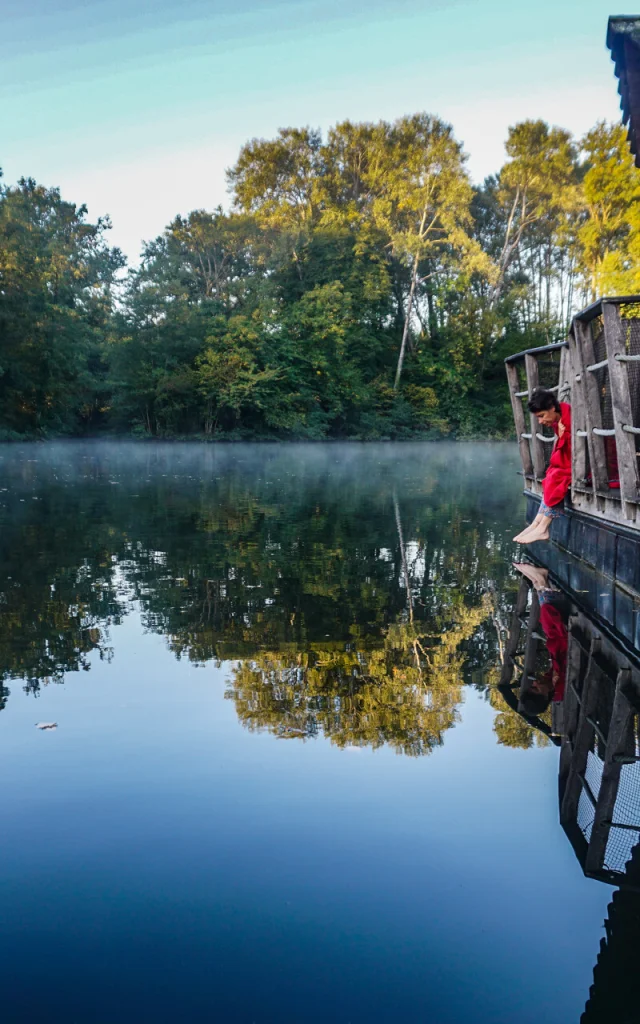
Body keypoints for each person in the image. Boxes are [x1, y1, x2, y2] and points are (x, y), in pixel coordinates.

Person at [513, 388, 571, 544]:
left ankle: (543, 528)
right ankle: (537, 522)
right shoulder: (557, 417)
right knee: (551, 474)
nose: (540, 421)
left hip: (581, 463)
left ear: (552, 408)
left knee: (557, 477)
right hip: (568, 458)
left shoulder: (570, 416)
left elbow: (577, 444)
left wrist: (564, 434)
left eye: (541, 416)